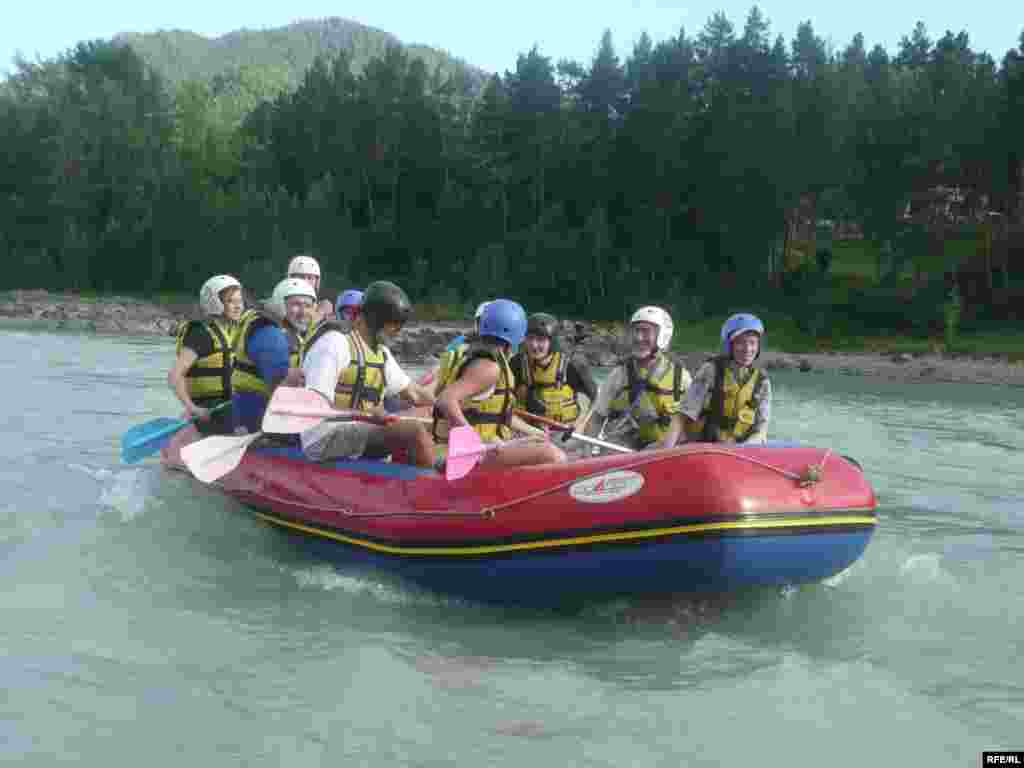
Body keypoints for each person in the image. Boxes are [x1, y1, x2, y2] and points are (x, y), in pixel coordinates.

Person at [300, 280, 436, 467]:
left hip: (359, 426)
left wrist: (445, 410)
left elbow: (414, 393)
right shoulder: (334, 344)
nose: (398, 332)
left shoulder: (379, 352)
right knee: (413, 430)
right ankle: (437, 487)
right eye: (394, 325)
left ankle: (416, 474)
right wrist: (365, 415)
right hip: (324, 435)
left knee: (429, 416)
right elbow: (315, 406)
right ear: (375, 321)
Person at [434, 299, 566, 468]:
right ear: (518, 336)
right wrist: (473, 442)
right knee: (554, 455)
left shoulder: (480, 357)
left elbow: (496, 414)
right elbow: (446, 400)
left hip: (480, 446)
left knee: (538, 444)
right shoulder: (489, 367)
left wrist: (533, 432)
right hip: (459, 455)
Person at [587, 306, 690, 451]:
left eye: (646, 331)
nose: (639, 337)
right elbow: (597, 418)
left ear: (662, 336)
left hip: (663, 452)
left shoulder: (681, 378)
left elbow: (692, 422)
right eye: (636, 331)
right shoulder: (618, 375)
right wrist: (587, 451)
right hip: (621, 450)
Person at [231, 278, 313, 434]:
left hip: (259, 413)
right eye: (296, 304)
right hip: (257, 420)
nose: (303, 312)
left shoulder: (288, 331)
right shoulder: (270, 335)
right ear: (280, 305)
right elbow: (280, 388)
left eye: (307, 306)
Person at [167, 275, 244, 436]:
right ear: (214, 303)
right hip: (210, 411)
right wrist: (193, 408)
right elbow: (175, 375)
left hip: (230, 405)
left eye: (239, 301)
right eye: (231, 301)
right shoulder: (200, 334)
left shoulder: (233, 330)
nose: (238, 307)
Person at [681, 313, 771, 444]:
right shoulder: (710, 370)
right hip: (703, 445)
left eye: (752, 343)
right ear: (729, 345)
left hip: (740, 449)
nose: (747, 349)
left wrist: (743, 450)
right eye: (740, 343)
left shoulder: (762, 381)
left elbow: (761, 429)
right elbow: (685, 413)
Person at [511, 312, 598, 427]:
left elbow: (597, 399)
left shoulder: (572, 365)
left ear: (552, 342)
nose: (533, 345)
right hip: (527, 431)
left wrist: (581, 425)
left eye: (541, 340)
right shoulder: (517, 363)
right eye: (530, 338)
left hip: (564, 433)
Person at [426, 300, 491, 398]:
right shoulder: (463, 340)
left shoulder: (506, 349)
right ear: (476, 322)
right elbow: (445, 356)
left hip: (468, 386)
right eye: (481, 321)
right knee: (436, 371)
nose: (485, 326)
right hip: (454, 381)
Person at [287, 254, 332, 326]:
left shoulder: (322, 307)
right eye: (300, 277)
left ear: (317, 282)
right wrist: (320, 314)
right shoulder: (282, 303)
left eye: (310, 278)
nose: (305, 282)